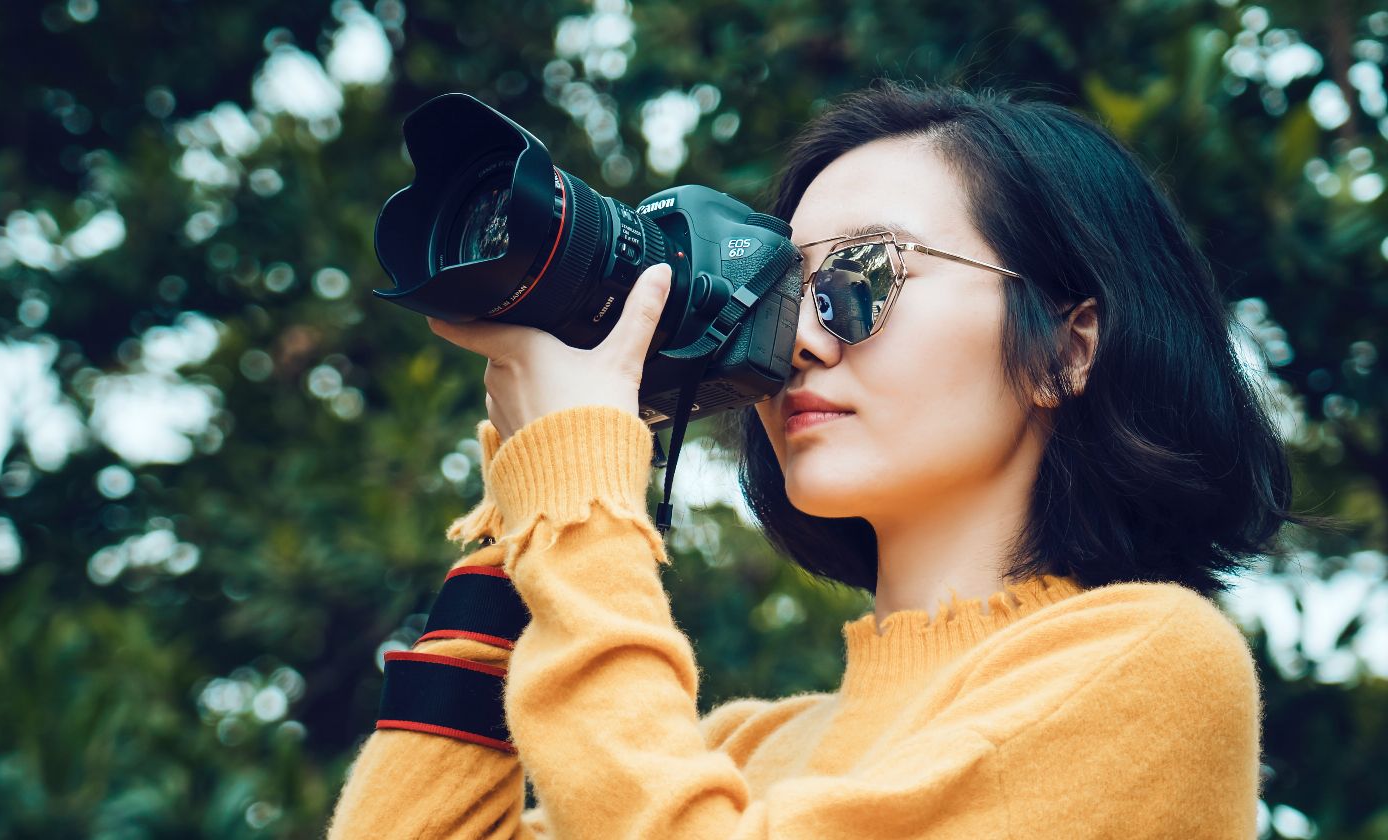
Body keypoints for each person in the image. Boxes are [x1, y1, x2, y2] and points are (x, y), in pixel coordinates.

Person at [326, 80, 1302, 839]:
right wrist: (526, 520)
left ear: (1069, 346)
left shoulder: (1154, 664)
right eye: (785, 290)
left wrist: (585, 510)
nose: (803, 342)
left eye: (865, 278)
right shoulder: (739, 751)